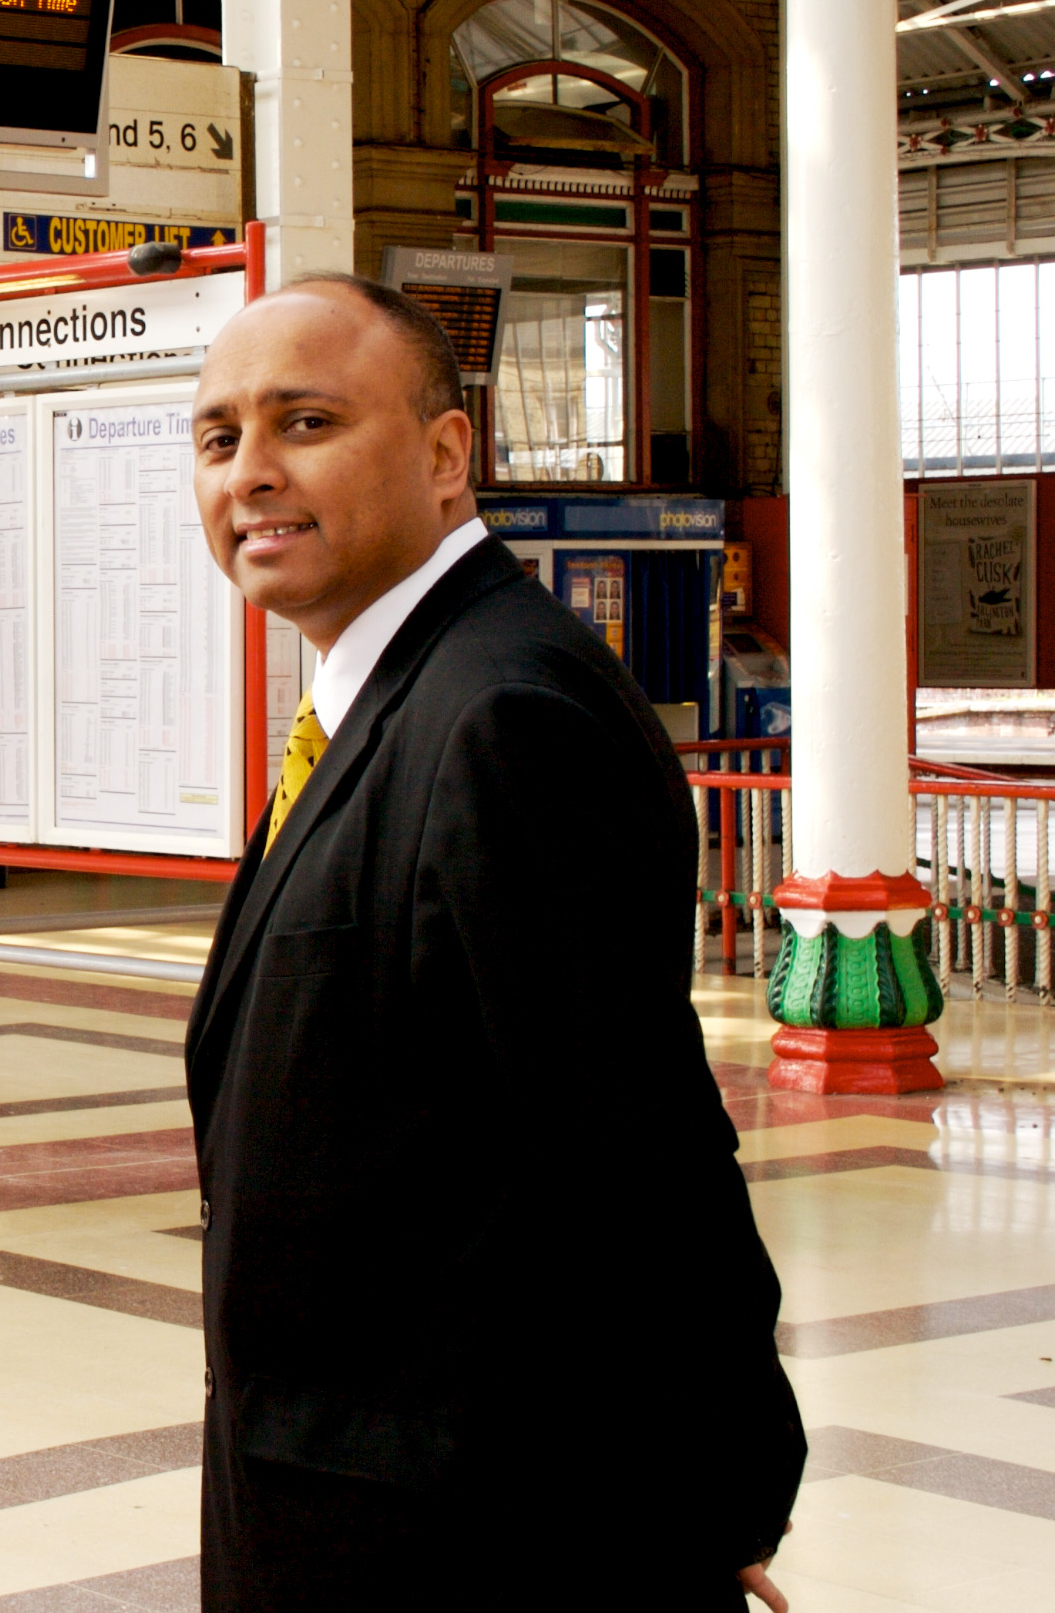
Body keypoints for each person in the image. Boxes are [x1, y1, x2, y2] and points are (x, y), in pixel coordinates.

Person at [182, 273, 804, 1612]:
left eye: (306, 422)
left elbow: (628, 1146)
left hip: (465, 1533)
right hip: (348, 1490)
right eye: (221, 437)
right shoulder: (393, 699)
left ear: (446, 453)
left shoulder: (502, 715)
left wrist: (701, 1487)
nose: (252, 473)